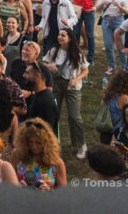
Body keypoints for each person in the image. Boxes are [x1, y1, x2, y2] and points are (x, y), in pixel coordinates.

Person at [42, 28, 88, 159]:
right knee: (52, 114)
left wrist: (76, 79)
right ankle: (51, 143)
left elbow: (86, 70)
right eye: (59, 34)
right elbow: (44, 62)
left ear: (70, 38)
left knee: (74, 117)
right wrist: (49, 66)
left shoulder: (77, 53)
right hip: (56, 85)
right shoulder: (53, 50)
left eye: (63, 35)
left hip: (72, 87)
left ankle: (81, 145)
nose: (59, 37)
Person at [11, 118, 66, 189]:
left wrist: (48, 191)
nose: (34, 146)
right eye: (30, 142)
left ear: (46, 143)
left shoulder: (57, 162)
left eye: (38, 143)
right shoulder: (17, 155)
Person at [94, 0, 128, 73]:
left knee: (120, 45)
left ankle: (125, 67)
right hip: (106, 20)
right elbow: (97, 8)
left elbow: (127, 11)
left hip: (119, 20)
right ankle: (112, 66)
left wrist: (119, 6)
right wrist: (102, 3)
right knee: (108, 45)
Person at [22, 63, 58, 136]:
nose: (23, 75)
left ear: (37, 76)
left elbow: (46, 131)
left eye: (27, 73)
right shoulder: (38, 95)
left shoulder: (45, 102)